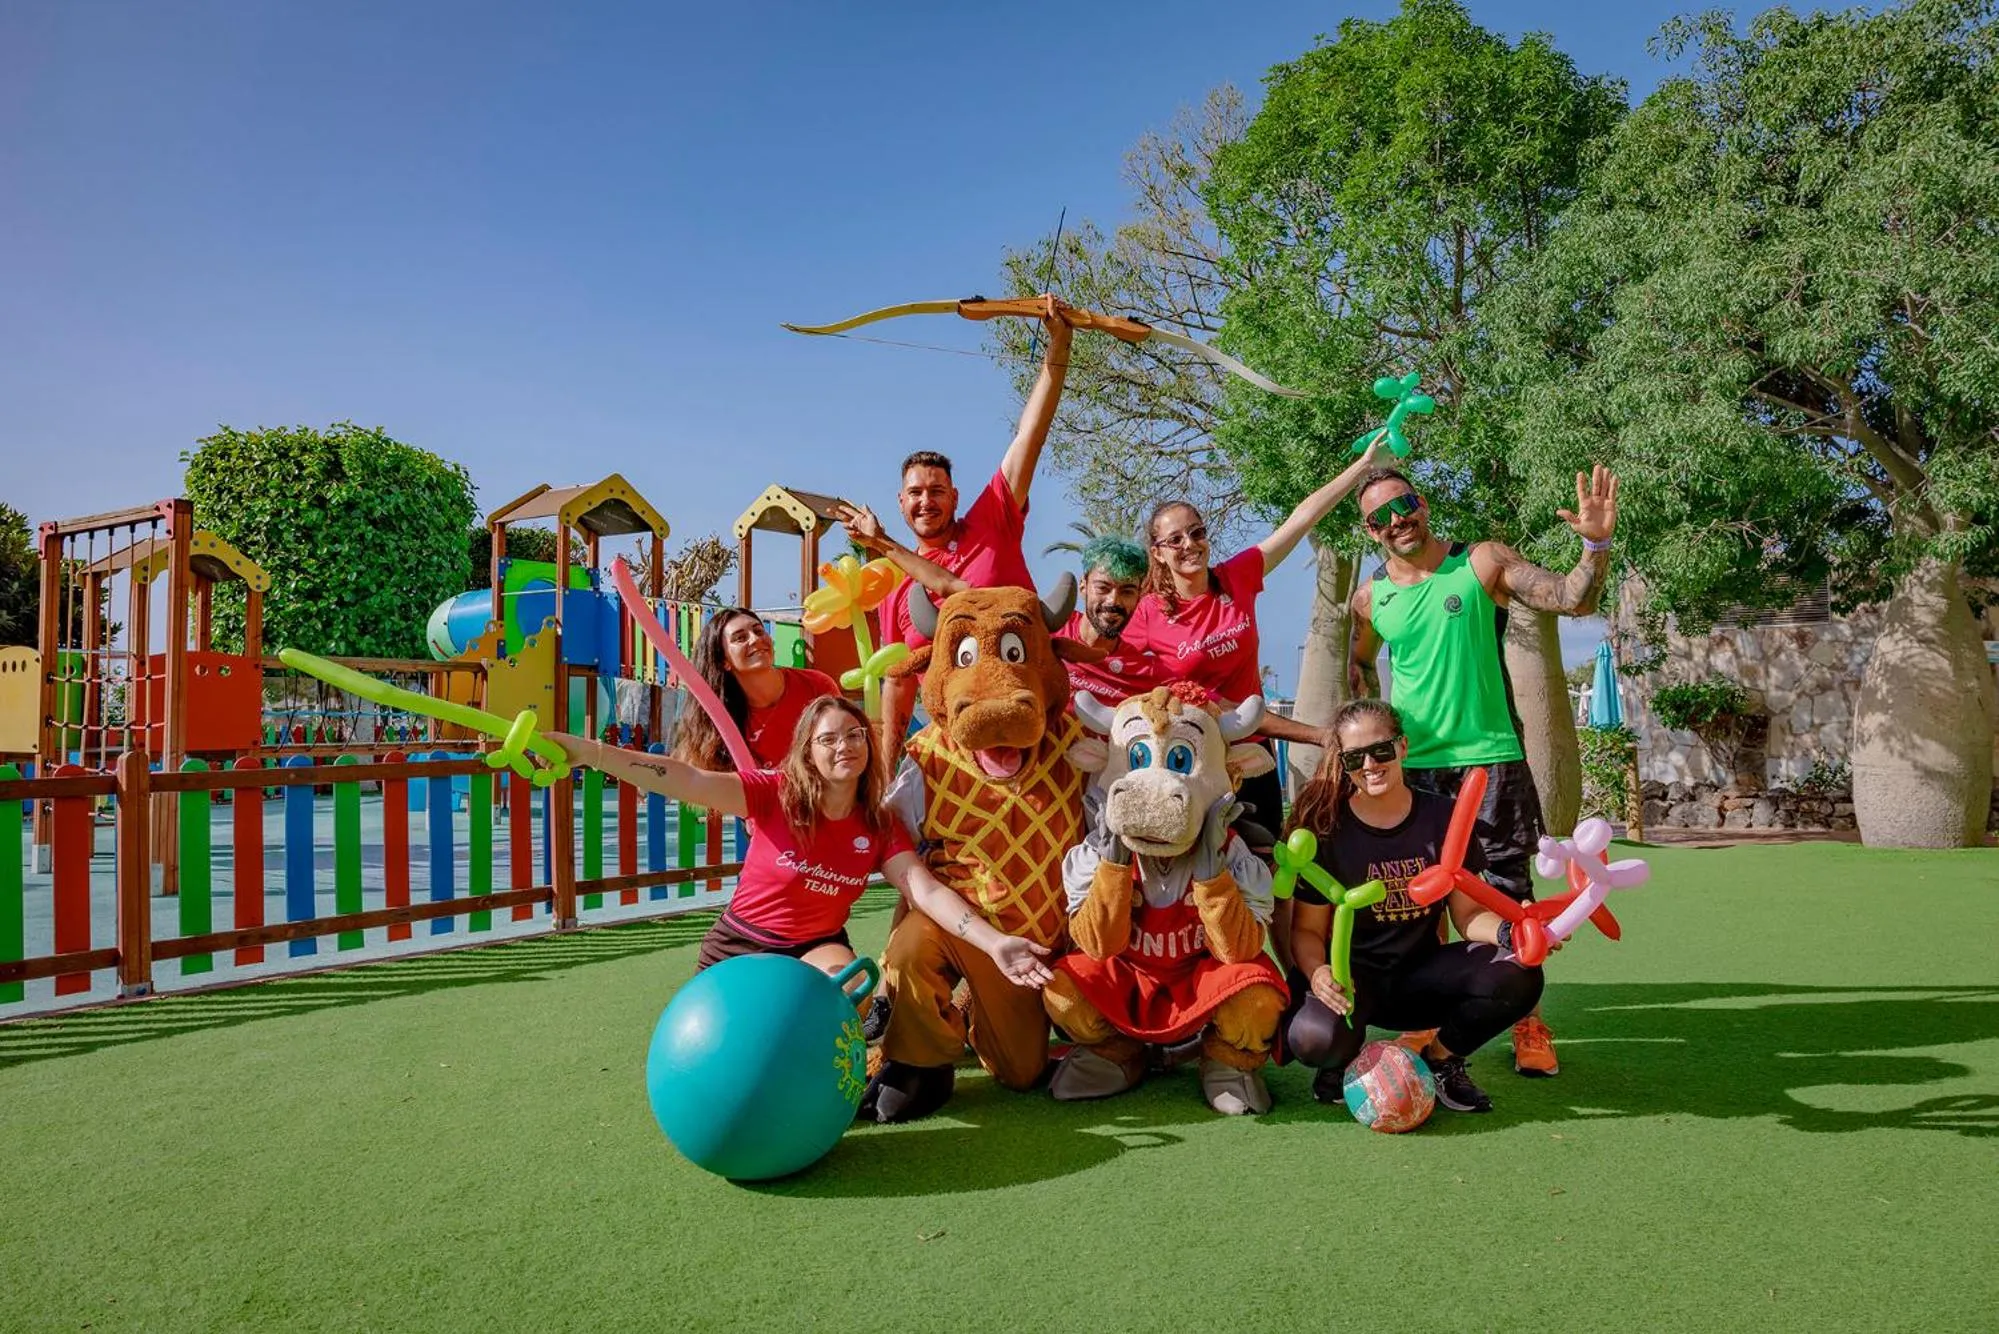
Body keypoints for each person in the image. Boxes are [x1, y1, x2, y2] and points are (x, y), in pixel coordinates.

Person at [1346, 463, 1618, 1077]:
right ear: (1369, 531)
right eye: (1380, 517)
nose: (1397, 521)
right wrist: (1371, 739)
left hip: (1491, 765)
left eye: (1404, 504)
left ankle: (1526, 1020)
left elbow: (1573, 598)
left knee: (1510, 896)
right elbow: (1359, 665)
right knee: (1424, 904)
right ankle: (1432, 1020)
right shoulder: (1369, 598)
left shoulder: (1481, 562)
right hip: (1415, 774)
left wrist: (1595, 547)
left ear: (1422, 504)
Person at [546, 695, 1054, 986]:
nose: (844, 746)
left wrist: (995, 944)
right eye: (828, 739)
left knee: (849, 989)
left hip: (815, 947)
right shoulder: (775, 794)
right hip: (740, 943)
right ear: (808, 751)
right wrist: (592, 753)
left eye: (854, 734)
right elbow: (688, 780)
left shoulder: (878, 825)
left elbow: (925, 890)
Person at [837, 297, 1075, 760]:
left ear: (956, 497)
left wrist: (1059, 345)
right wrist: (886, 769)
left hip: (1036, 726)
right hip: (957, 748)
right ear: (901, 502)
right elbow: (899, 682)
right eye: (916, 492)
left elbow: (1030, 434)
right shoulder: (894, 591)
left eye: (937, 491)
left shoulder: (993, 519)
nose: (926, 501)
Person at [1284, 698, 1546, 1114]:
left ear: (1403, 747)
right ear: (1343, 763)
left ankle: (1441, 1061)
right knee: (1314, 1039)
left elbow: (1467, 915)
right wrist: (1318, 975)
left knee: (1520, 974)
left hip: (1421, 975)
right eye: (1355, 757)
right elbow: (1307, 931)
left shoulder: (1443, 817)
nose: (1370, 765)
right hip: (1353, 982)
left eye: (1381, 750)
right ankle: (1341, 1061)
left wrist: (1510, 932)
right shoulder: (1328, 828)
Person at [1123, 442, 1388, 841]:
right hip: (1192, 759)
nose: (1189, 545)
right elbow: (1111, 663)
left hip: (1255, 755)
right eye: (1174, 540)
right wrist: (1317, 735)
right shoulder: (1148, 613)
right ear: (1157, 553)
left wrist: (1363, 466)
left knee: (1263, 865)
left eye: (1196, 533)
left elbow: (1302, 519)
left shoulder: (1236, 577)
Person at [673, 607, 840, 772]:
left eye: (759, 631)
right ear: (724, 661)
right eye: (740, 638)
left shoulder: (816, 685)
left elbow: (843, 744)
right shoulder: (718, 721)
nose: (755, 639)